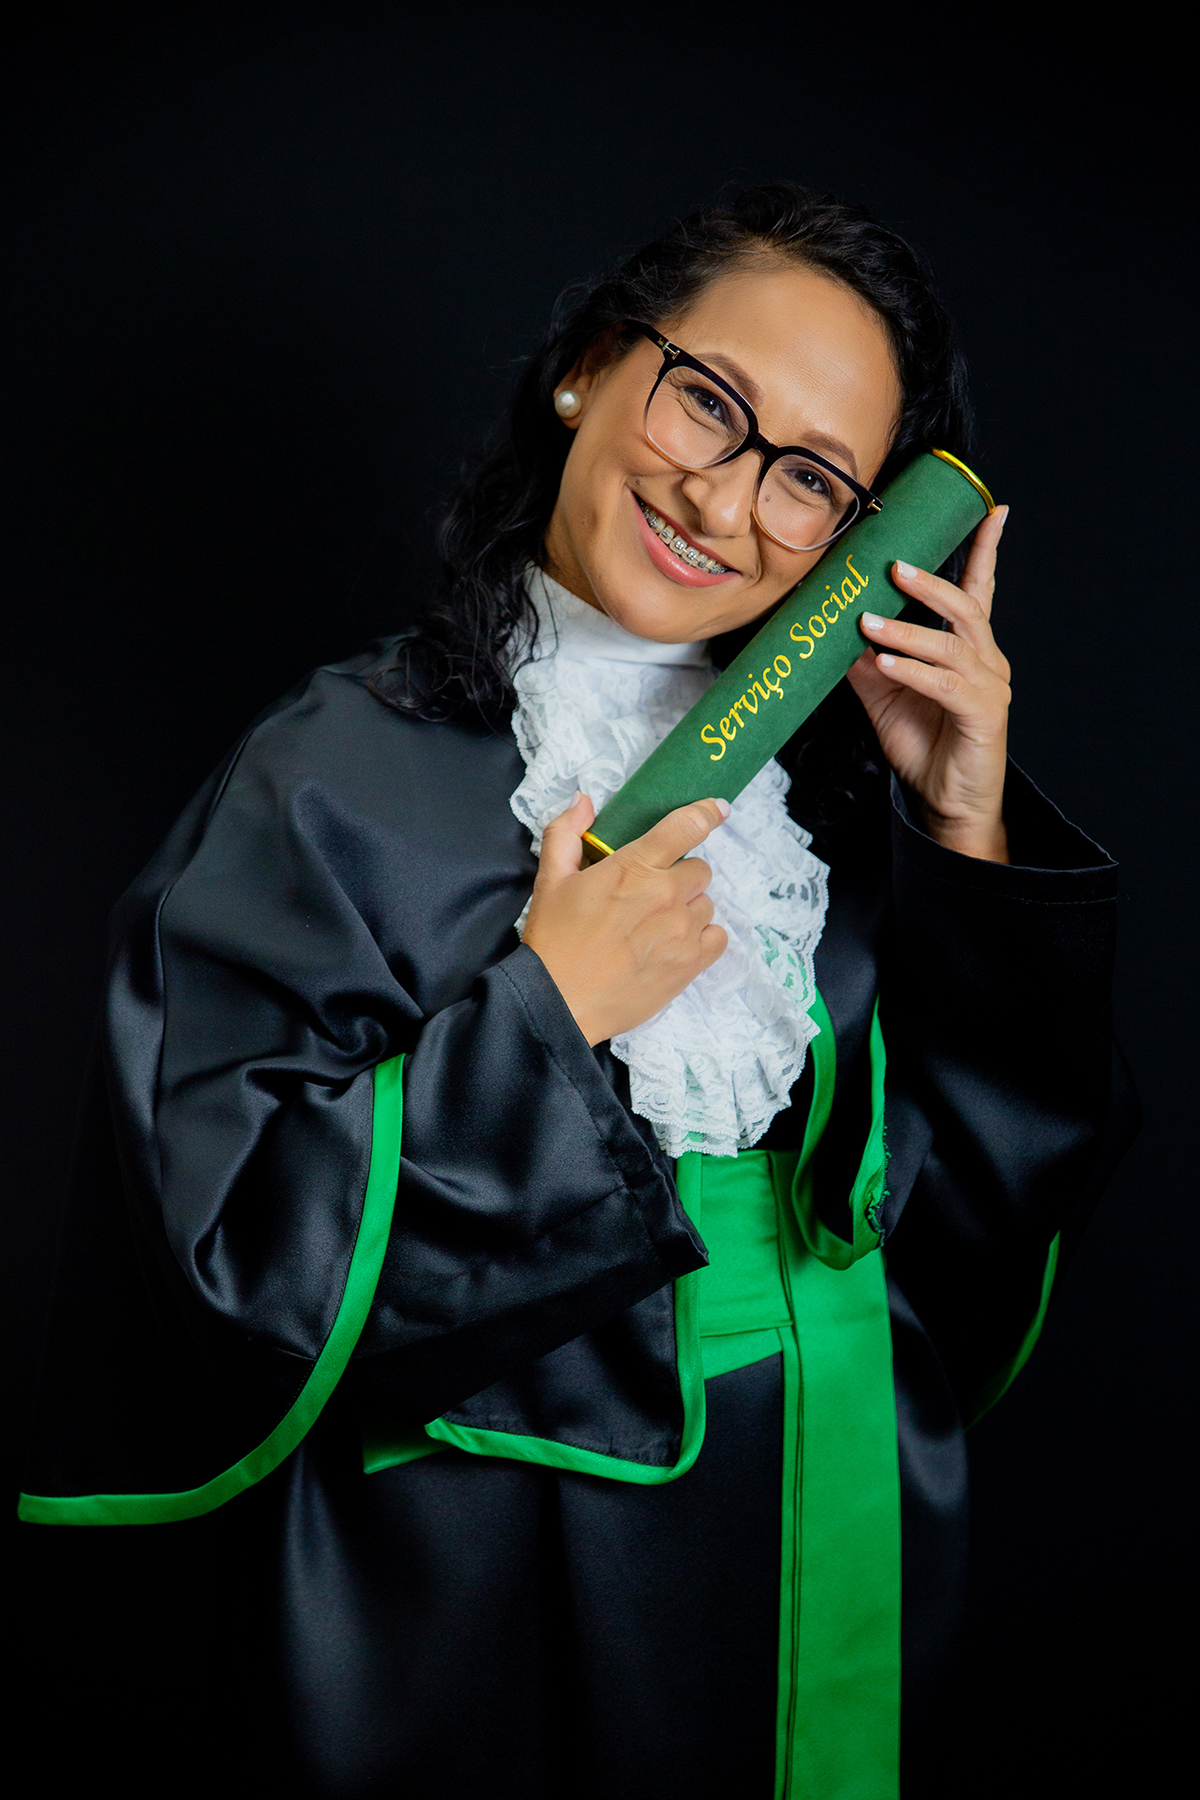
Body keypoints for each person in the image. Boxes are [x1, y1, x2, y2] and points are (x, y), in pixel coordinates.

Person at [19, 182, 1137, 1798]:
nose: (725, 497)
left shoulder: (823, 815)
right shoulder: (328, 775)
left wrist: (965, 830)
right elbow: (230, 1268)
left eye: (810, 480)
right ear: (593, 369)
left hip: (836, 1523)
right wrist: (549, 1012)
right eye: (708, 402)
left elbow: (969, 1240)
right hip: (502, 1575)